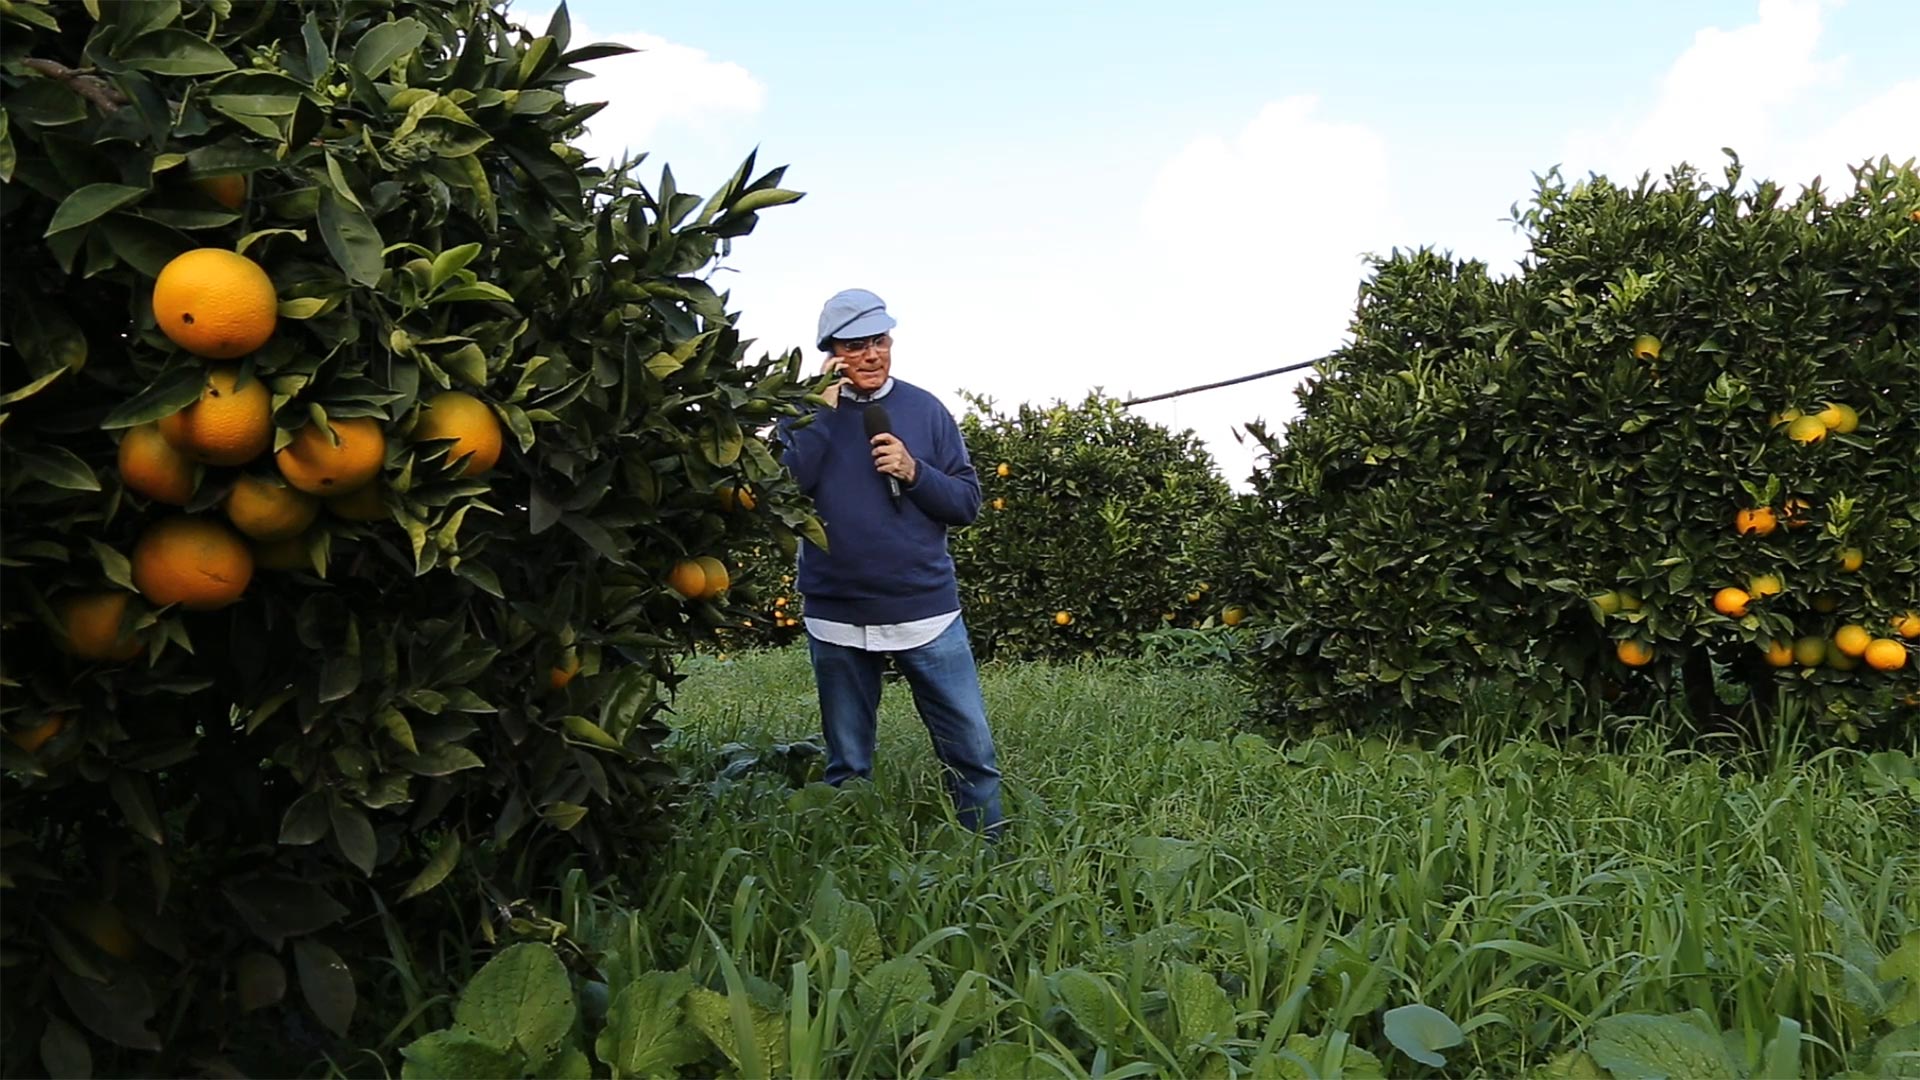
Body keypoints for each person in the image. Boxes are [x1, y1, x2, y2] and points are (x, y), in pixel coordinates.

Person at [773, 288, 1006, 837]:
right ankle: (852, 863)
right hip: (837, 616)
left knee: (971, 755)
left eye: (878, 341)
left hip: (926, 612)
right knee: (847, 765)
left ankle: (990, 859)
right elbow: (782, 492)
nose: (871, 355)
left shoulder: (925, 410)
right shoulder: (802, 416)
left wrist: (914, 471)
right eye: (855, 346)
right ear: (831, 354)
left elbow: (967, 503)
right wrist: (819, 415)